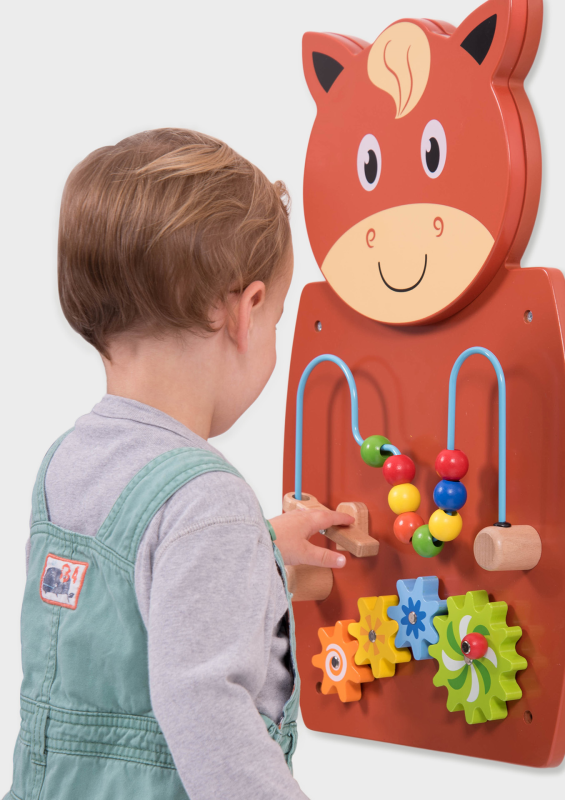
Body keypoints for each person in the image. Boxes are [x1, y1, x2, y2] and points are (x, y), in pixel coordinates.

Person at [4, 128, 351, 800]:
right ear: (245, 313)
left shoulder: (69, 463)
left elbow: (133, 597)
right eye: (277, 318)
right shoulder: (207, 501)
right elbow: (206, 712)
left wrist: (262, 546)